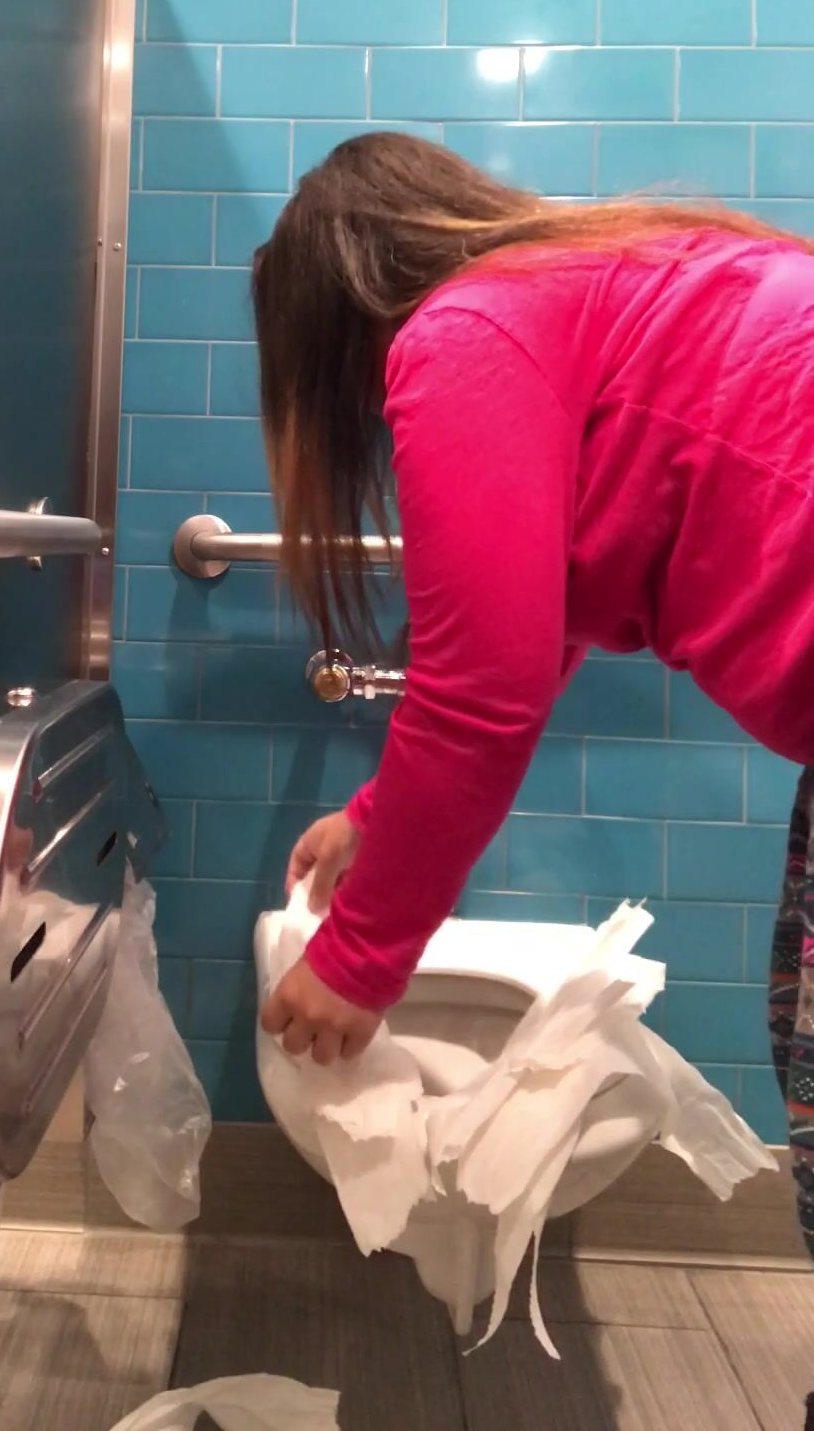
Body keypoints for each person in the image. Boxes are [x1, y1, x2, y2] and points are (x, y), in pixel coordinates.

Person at [252, 129, 814, 1275]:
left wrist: (359, 958)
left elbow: (478, 693)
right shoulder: (586, 282)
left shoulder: (465, 330)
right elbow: (529, 628)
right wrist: (373, 818)